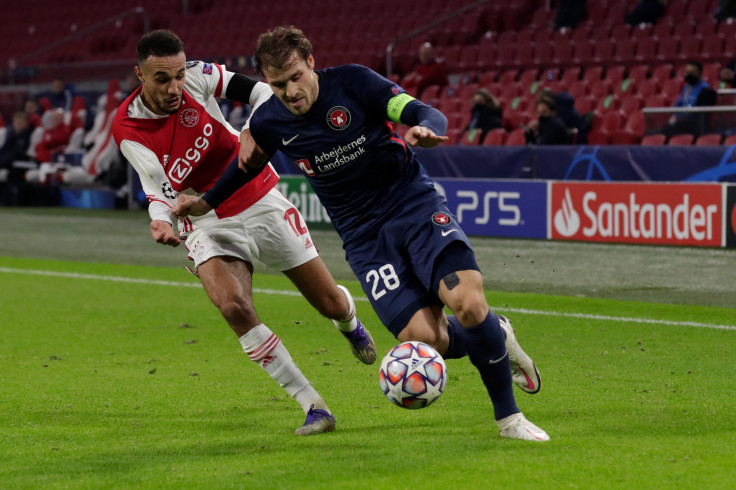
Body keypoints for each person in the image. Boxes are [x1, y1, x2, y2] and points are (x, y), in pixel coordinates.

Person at [176, 26, 549, 441]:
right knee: (426, 340)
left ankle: (509, 419)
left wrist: (425, 128)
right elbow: (244, 170)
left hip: (413, 206)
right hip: (364, 238)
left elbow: (421, 111)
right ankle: (499, 334)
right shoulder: (269, 121)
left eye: (296, 77)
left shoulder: (354, 82)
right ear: (267, 82)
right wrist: (205, 203)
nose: (291, 91)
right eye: (278, 84)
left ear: (311, 63)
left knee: (467, 303)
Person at [111, 29, 377, 436]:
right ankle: (313, 405)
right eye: (162, 79)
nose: (175, 87)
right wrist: (161, 218)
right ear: (139, 75)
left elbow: (262, 95)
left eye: (179, 75)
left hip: (256, 192)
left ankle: (350, 324)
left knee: (329, 303)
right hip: (202, 217)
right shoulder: (128, 125)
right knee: (234, 307)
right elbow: (154, 183)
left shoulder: (200, 76)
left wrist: (253, 130)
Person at [663, 60, 717, 139]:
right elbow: (678, 105)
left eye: (692, 72)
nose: (688, 75)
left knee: (664, 132)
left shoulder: (706, 91)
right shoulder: (687, 87)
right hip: (682, 124)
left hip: (694, 128)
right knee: (656, 132)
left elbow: (702, 118)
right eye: (687, 72)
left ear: (699, 73)